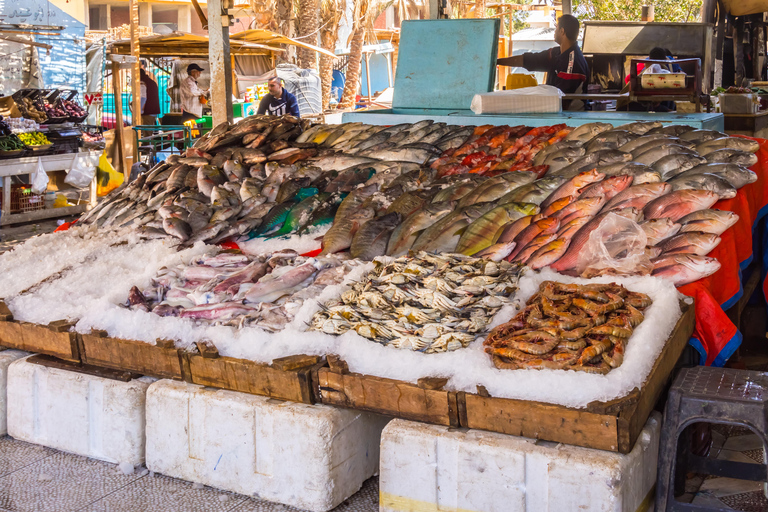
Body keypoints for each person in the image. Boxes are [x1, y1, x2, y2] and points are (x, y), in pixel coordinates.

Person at [497, 14, 589, 108]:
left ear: (562, 31)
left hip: (570, 115)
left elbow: (561, 98)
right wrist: (498, 62)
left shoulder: (573, 62)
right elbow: (529, 60)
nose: (555, 31)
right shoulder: (555, 53)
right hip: (555, 110)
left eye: (556, 28)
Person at [139, 59, 160, 126]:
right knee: (148, 132)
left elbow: (143, 97)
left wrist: (140, 111)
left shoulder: (142, 82)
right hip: (152, 111)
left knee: (146, 134)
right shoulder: (151, 80)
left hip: (147, 112)